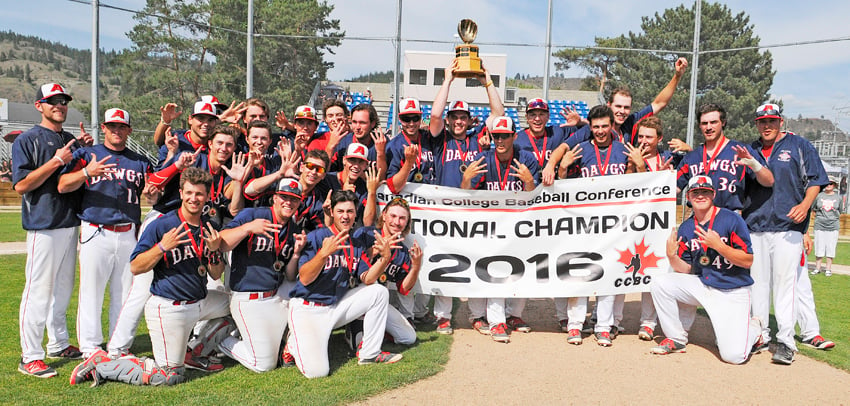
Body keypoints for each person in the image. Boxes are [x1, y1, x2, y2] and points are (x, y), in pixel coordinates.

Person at [57, 108, 161, 359]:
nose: (116, 130)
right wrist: (85, 173)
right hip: (96, 230)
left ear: (129, 130)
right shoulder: (88, 154)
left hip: (128, 232)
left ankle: (118, 345)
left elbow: (152, 194)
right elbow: (61, 185)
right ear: (103, 128)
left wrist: (153, 194)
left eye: (121, 126)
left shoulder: (139, 160)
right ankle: (90, 348)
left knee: (124, 294)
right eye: (111, 126)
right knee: (91, 292)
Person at [12, 83, 93, 377]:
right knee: (38, 291)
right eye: (52, 101)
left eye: (63, 101)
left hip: (69, 222)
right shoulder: (28, 139)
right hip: (43, 226)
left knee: (62, 290)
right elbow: (21, 185)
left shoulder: (69, 138)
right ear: (39, 106)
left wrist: (82, 148)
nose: (59, 105)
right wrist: (56, 161)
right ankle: (30, 355)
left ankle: (58, 343)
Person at [743, 103, 829, 365]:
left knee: (785, 286)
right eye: (762, 121)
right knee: (757, 286)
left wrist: (805, 206)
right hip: (755, 225)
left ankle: (786, 341)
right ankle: (760, 335)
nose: (766, 125)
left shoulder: (799, 145)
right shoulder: (750, 149)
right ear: (756, 123)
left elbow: (816, 180)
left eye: (771, 120)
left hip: (787, 225)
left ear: (780, 121)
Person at [287, 190, 402, 378]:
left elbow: (367, 279)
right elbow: (305, 278)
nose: (345, 216)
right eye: (340, 211)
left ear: (356, 213)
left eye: (350, 211)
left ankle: (369, 354)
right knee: (317, 372)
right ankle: (292, 343)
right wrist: (324, 254)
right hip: (308, 308)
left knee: (378, 292)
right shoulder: (317, 236)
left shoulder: (355, 243)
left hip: (335, 307)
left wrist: (384, 258)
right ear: (331, 212)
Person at [651, 175, 764, 364]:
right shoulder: (687, 228)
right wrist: (672, 257)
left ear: (713, 195)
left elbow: (747, 261)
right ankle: (676, 338)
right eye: (696, 192)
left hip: (732, 290)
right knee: (660, 282)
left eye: (705, 192)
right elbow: (686, 269)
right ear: (688, 197)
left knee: (734, 356)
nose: (700, 196)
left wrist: (719, 246)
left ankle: (754, 329)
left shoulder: (731, 220)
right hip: (704, 286)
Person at [427, 60, 504, 335]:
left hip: (477, 211)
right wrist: (447, 80)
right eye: (455, 116)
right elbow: (434, 117)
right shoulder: (440, 140)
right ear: (449, 120)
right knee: (447, 261)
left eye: (463, 117)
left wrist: (487, 82)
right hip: (447, 211)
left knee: (479, 261)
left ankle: (477, 315)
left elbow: (498, 114)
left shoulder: (477, 138)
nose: (459, 121)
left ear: (470, 120)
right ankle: (443, 316)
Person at [559, 105, 646, 346]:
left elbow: (639, 184)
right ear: (590, 127)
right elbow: (562, 189)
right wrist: (563, 167)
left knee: (610, 273)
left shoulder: (623, 149)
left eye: (604, 126)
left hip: (615, 224)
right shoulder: (581, 149)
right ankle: (575, 324)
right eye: (595, 126)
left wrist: (638, 165)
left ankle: (604, 326)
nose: (600, 131)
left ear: (611, 126)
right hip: (585, 224)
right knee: (581, 272)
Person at [133, 167, 231, 380]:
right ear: (180, 194)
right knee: (170, 376)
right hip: (170, 307)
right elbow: (136, 266)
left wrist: (214, 251)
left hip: (199, 302)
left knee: (237, 306)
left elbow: (216, 274)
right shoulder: (163, 224)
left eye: (199, 194)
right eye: (189, 193)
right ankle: (105, 364)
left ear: (207, 196)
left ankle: (195, 351)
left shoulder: (209, 226)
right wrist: (161, 247)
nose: (193, 198)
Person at [216, 178, 308, 372]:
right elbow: (222, 243)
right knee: (264, 365)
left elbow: (290, 276)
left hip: (273, 297)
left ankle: (286, 345)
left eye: (293, 199)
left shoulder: (294, 230)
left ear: (299, 202)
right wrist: (247, 228)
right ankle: (221, 340)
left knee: (303, 294)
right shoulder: (253, 215)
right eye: (284, 197)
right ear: (274, 198)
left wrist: (297, 254)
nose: (288, 202)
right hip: (248, 298)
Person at [461, 116, 539, 342]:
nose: (501, 140)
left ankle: (513, 315)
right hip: (489, 227)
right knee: (491, 269)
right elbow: (465, 195)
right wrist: (466, 180)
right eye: (496, 136)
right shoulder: (483, 158)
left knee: (521, 271)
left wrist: (529, 182)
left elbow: (536, 198)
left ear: (515, 136)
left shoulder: (526, 159)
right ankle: (494, 321)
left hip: (518, 226)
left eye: (505, 135)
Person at [565, 57, 689, 148]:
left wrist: (677, 76)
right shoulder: (596, 129)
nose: (622, 111)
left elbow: (659, 103)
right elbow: (565, 147)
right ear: (609, 105)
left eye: (626, 107)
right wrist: (582, 123)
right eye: (618, 106)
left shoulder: (632, 122)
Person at [811, 176, 842, 276]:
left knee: (831, 247)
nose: (829, 185)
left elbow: (840, 210)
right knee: (819, 246)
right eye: (827, 183)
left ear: (834, 185)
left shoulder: (838, 197)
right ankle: (817, 267)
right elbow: (814, 208)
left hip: (833, 225)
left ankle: (828, 268)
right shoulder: (819, 196)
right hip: (820, 224)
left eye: (831, 184)